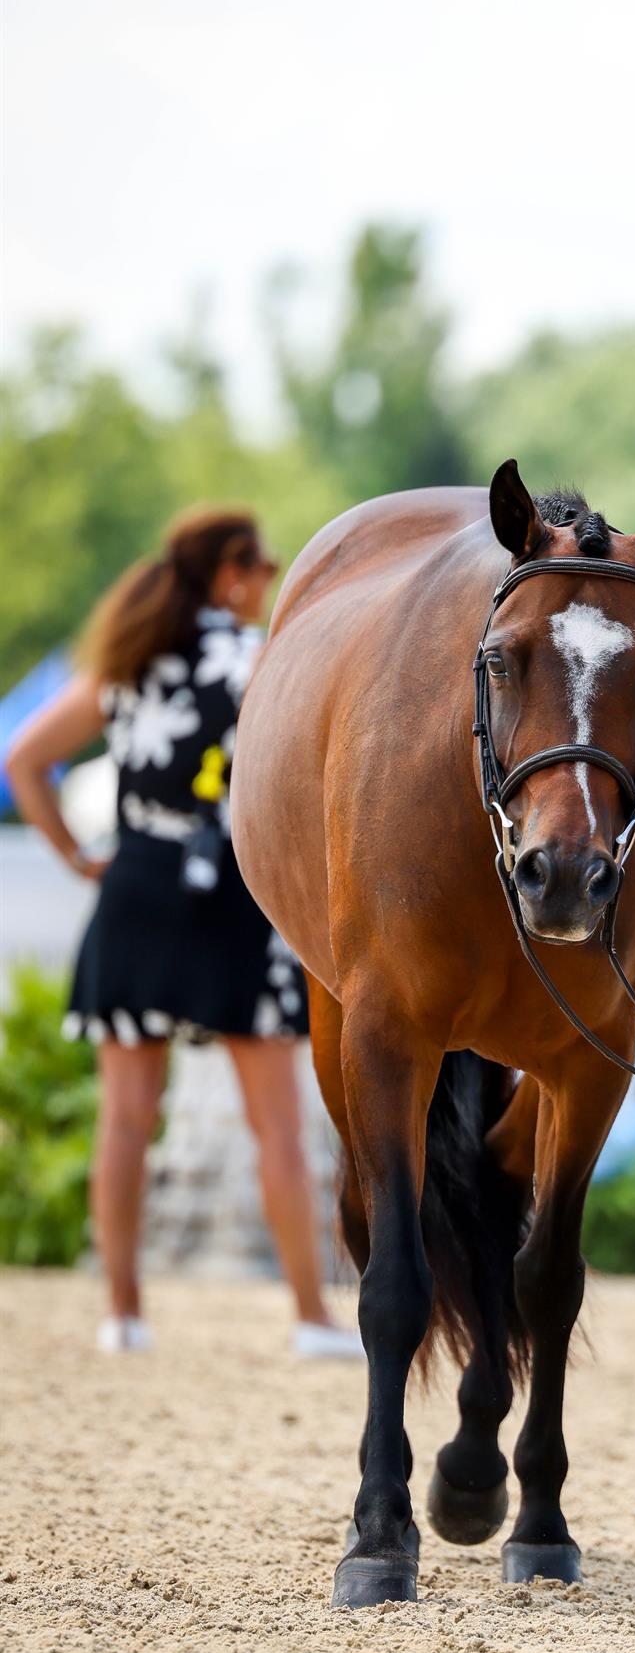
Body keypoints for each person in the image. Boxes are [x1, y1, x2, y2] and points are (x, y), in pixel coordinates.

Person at [5, 506, 362, 1359]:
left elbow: (22, 758)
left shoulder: (128, 660)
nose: (269, 583)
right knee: (276, 1123)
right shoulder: (263, 661)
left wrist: (74, 855)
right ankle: (311, 1319)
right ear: (232, 574)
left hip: (133, 887)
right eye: (264, 567)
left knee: (126, 1118)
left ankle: (122, 1315)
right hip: (234, 894)